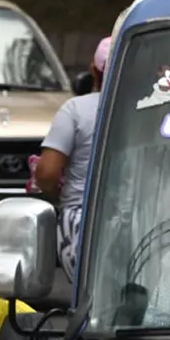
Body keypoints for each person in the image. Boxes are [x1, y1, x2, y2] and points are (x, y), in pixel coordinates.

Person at [35, 37, 112, 283]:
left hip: (80, 220)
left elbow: (47, 174)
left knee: (88, 295)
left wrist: (55, 191)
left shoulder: (75, 110)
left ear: (93, 70)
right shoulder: (149, 107)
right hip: (142, 216)